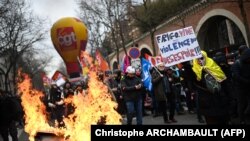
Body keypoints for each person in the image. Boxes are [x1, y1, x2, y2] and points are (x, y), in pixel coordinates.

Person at [192, 50, 230, 124]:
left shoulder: (215, 66)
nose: (200, 61)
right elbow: (190, 78)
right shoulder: (195, 71)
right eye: (197, 59)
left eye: (202, 58)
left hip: (220, 101)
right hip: (207, 103)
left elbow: (224, 82)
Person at [231, 47, 250, 124]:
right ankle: (242, 119)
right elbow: (236, 76)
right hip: (240, 87)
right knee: (241, 103)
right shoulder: (237, 64)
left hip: (248, 86)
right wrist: (247, 81)